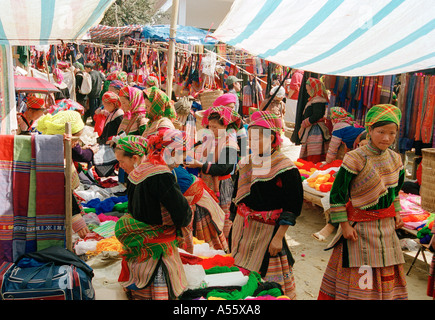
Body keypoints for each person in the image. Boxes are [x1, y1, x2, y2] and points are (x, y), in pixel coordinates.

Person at [318, 104, 407, 300]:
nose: (386, 138)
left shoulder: (396, 159)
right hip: (359, 229)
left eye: (392, 133)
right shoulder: (355, 158)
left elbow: (395, 191)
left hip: (386, 228)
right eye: (381, 131)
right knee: (359, 271)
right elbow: (337, 195)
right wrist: (344, 225)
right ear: (369, 130)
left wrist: (398, 213)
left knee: (385, 269)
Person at [229, 110, 303, 299]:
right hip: (241, 230)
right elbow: (237, 198)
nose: (254, 142)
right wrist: (229, 224)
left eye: (261, 137)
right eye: (251, 137)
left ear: (273, 139)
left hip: (267, 234)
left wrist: (279, 237)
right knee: (238, 280)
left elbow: (292, 207)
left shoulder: (285, 168)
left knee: (265, 284)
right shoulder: (246, 162)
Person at [114, 135, 192, 300]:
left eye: (121, 162)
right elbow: (180, 211)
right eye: (180, 155)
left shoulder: (139, 172)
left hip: (142, 247)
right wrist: (183, 223)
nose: (180, 162)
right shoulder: (160, 174)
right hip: (157, 250)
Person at [37, 110, 92, 239]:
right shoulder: (49, 157)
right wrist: (75, 215)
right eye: (75, 139)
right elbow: (59, 187)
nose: (76, 144)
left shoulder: (57, 152)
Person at [186, 106, 240, 239]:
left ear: (225, 125)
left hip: (221, 186)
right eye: (210, 126)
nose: (212, 130)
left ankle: (223, 245)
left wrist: (200, 165)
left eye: (215, 127)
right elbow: (195, 149)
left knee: (220, 217)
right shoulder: (208, 140)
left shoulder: (230, 144)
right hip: (206, 183)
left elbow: (224, 168)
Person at [298, 77, 331, 163]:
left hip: (316, 131)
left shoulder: (318, 100)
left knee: (314, 156)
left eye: (309, 90)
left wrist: (303, 125)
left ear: (314, 89)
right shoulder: (314, 99)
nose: (308, 92)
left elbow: (317, 115)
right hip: (312, 129)